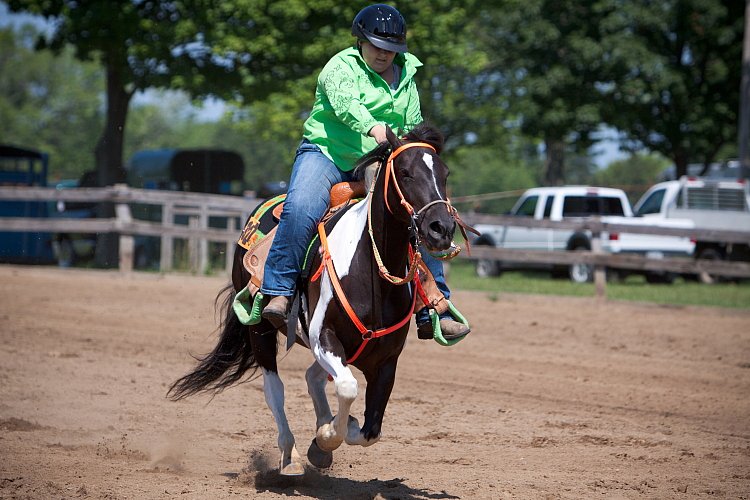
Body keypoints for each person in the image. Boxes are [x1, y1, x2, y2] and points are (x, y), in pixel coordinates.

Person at [261, 3, 470, 340]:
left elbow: (413, 126)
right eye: (377, 45)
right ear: (360, 41)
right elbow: (346, 105)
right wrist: (373, 126)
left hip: (377, 160)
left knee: (415, 216)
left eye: (391, 49)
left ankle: (434, 305)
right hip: (327, 154)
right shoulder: (339, 67)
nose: (384, 54)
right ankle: (278, 291)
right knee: (301, 208)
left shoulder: (407, 76)